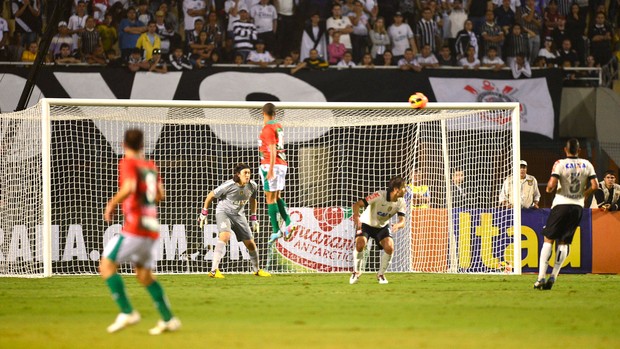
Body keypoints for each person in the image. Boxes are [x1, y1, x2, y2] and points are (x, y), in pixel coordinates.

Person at [101, 129, 181, 334]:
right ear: (143, 145)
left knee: (107, 266)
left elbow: (129, 186)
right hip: (152, 228)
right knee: (145, 276)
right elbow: (160, 195)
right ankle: (168, 319)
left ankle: (127, 312)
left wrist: (111, 204)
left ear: (123, 145)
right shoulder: (150, 166)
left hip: (135, 227)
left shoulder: (128, 163)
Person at [534, 139, 598, 290]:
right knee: (564, 242)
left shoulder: (560, 163)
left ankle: (541, 278)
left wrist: (549, 190)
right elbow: (595, 186)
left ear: (565, 150)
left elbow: (550, 185)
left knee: (548, 239)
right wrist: (585, 194)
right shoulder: (587, 164)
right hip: (577, 207)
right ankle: (554, 277)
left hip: (561, 204)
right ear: (579, 150)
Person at [198, 163, 271, 278]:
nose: (247, 175)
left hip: (239, 215)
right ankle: (213, 270)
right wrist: (204, 213)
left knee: (251, 244)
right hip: (224, 212)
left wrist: (253, 218)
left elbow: (253, 200)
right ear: (238, 174)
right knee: (225, 236)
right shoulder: (228, 185)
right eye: (245, 173)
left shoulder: (253, 186)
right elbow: (211, 195)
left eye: (249, 173)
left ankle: (257, 270)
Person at [350, 176, 407, 285]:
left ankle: (380, 274)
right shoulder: (378, 195)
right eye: (404, 187)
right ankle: (356, 272)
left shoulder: (401, 202)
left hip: (381, 227)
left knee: (390, 247)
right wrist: (356, 216)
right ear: (396, 189)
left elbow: (403, 221)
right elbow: (357, 204)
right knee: (360, 244)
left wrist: (398, 225)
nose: (406, 190)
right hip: (366, 223)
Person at [258, 103, 296, 243]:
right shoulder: (278, 126)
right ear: (275, 113)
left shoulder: (268, 128)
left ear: (263, 113)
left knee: (270, 198)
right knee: (277, 196)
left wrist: (271, 169)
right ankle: (289, 222)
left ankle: (275, 231)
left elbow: (272, 149)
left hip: (271, 165)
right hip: (282, 164)